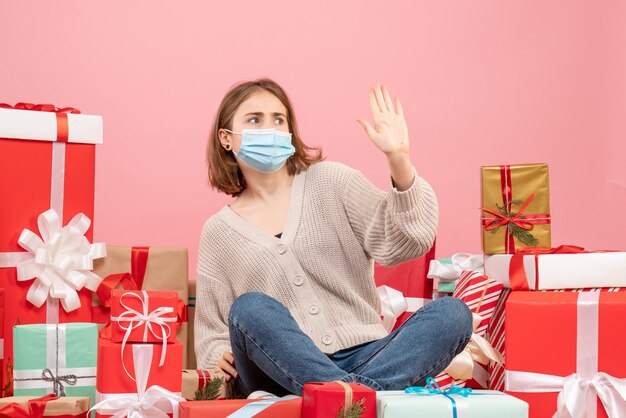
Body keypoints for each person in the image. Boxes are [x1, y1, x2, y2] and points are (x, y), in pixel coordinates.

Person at [195, 78, 472, 398]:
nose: (269, 128)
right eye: (255, 119)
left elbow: (411, 239)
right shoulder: (218, 232)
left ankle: (339, 399)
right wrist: (217, 356)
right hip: (276, 372)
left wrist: (399, 159)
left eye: (279, 119)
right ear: (226, 138)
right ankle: (360, 397)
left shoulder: (332, 182)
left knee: (452, 315)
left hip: (366, 354)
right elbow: (211, 333)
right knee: (250, 309)